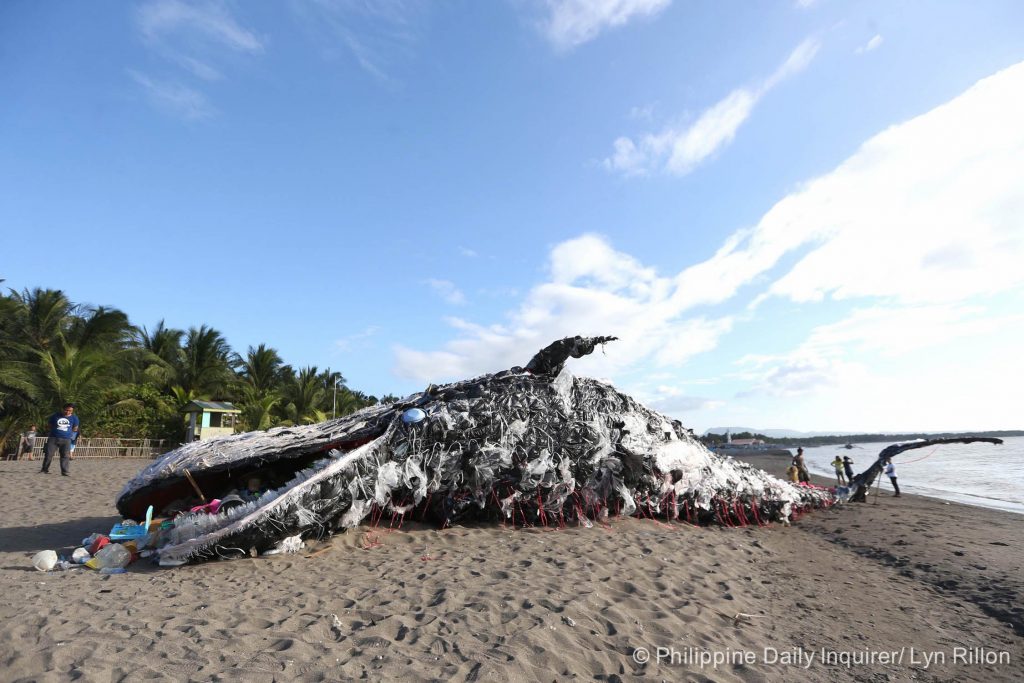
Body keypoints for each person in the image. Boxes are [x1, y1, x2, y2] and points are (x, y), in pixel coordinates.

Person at [41, 403, 79, 476]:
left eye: (70, 411)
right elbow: (49, 425)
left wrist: (69, 434)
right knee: (48, 454)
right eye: (66, 410)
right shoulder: (55, 416)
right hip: (53, 438)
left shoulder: (74, 418)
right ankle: (44, 469)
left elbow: (75, 428)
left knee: (65, 456)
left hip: (66, 439)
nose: (68, 412)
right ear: (63, 409)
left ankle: (64, 471)